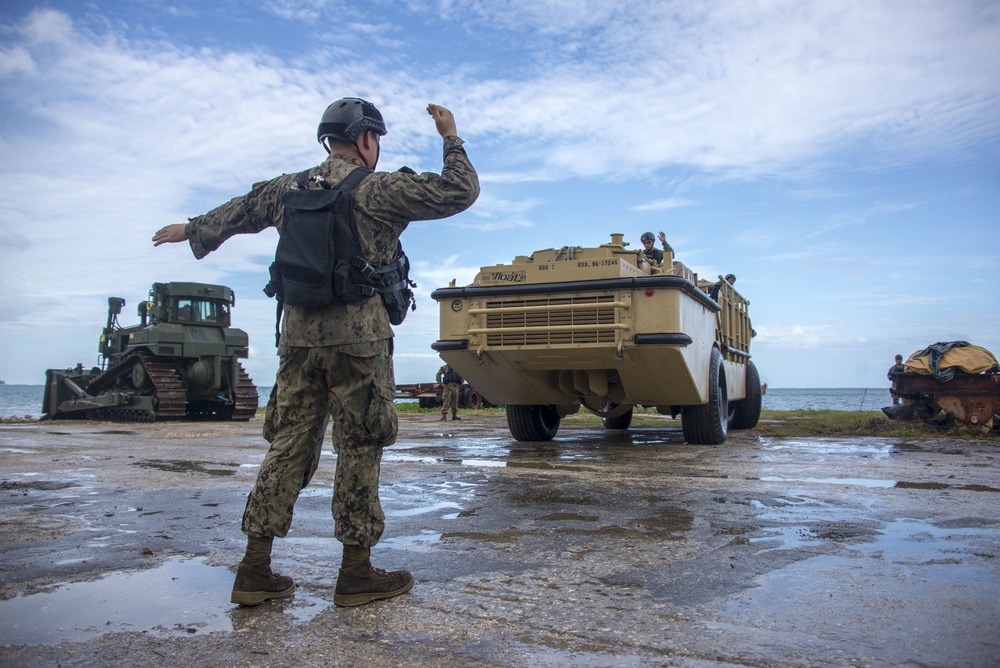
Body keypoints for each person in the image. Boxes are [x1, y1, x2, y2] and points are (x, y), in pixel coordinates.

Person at [152, 98, 480, 607]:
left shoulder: (290, 188)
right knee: (360, 444)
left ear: (329, 140)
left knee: (288, 445)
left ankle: (254, 568)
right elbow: (459, 190)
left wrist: (192, 230)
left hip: (299, 338)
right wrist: (450, 136)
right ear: (367, 140)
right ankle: (356, 573)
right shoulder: (377, 188)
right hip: (359, 341)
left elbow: (242, 209)